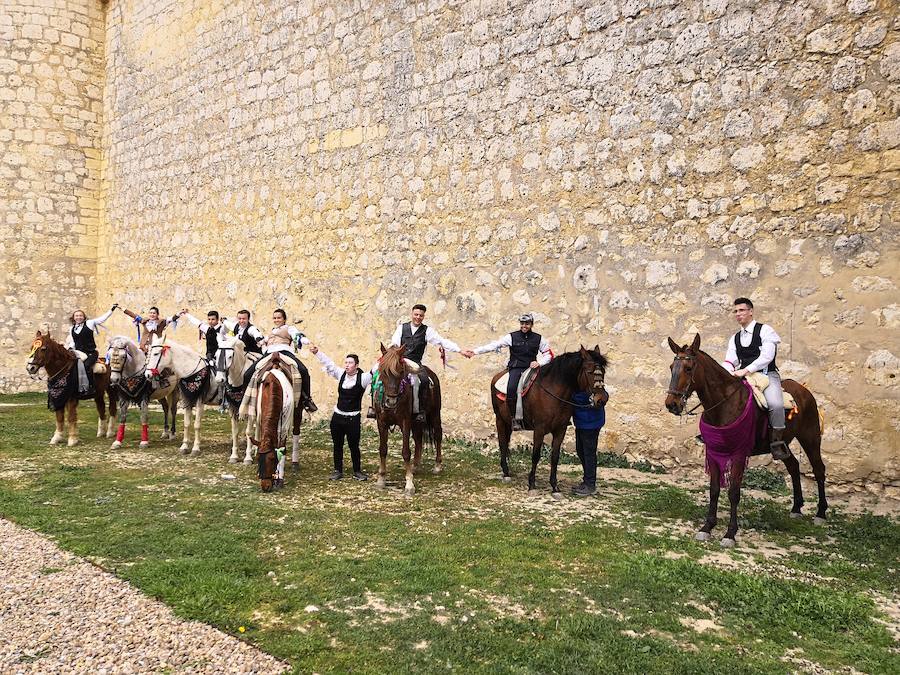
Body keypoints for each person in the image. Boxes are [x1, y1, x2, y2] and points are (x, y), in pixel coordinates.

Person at [370, 304, 462, 421]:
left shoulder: (427, 331)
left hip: (414, 362)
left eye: (421, 315)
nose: (418, 317)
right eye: (416, 314)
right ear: (412, 314)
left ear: (423, 317)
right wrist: (391, 354)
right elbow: (394, 343)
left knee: (422, 380)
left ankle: (419, 410)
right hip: (399, 359)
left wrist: (459, 350)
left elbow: (442, 341)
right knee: (374, 372)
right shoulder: (402, 328)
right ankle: (374, 407)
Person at [723, 297, 788, 460]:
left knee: (775, 404)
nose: (738, 314)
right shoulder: (735, 338)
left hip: (767, 375)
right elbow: (730, 360)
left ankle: (777, 442)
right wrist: (726, 372)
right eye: (735, 311)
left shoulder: (766, 331)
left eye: (742, 310)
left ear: (751, 311)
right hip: (744, 376)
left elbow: (767, 356)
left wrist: (745, 370)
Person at [463, 313, 552, 431]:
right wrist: (475, 351)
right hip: (516, 368)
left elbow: (548, 354)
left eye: (527, 324)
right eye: (522, 323)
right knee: (511, 388)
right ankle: (514, 418)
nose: (524, 326)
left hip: (532, 368)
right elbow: (494, 345)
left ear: (531, 324)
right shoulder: (511, 337)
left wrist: (539, 363)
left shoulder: (539, 338)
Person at [309, 345, 373, 481]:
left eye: (350, 363)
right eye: (346, 362)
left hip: (353, 419)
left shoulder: (363, 378)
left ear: (356, 365)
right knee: (337, 445)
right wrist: (317, 352)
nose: (347, 365)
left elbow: (376, 369)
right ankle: (338, 470)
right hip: (337, 418)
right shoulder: (341, 374)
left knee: (354, 446)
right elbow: (329, 363)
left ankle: (357, 471)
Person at [257, 309, 317, 412]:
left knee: (303, 370)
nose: (276, 320)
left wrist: (309, 342)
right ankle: (248, 399)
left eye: (279, 318)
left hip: (284, 351)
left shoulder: (289, 328)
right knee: (249, 373)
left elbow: (298, 336)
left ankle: (307, 400)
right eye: (274, 318)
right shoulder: (271, 331)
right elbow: (262, 341)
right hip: (269, 353)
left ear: (284, 319)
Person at [65, 304, 117, 389]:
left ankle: (90, 386)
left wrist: (112, 309)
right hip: (78, 353)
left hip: (90, 353)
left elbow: (102, 319)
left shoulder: (89, 323)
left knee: (86, 366)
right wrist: (69, 348)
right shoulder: (72, 328)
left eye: (81, 315)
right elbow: (73, 341)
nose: (79, 317)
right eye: (76, 316)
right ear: (73, 318)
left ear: (84, 317)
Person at [570, 388, 608, 496]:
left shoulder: (592, 386)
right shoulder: (579, 386)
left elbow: (602, 395)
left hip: (591, 422)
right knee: (580, 451)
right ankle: (587, 480)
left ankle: (590, 484)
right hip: (581, 422)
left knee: (589, 453)